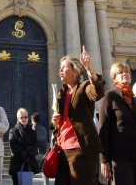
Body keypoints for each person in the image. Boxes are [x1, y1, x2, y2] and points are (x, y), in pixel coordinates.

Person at [51, 46, 105, 185]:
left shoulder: (84, 87)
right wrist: (54, 121)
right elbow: (56, 123)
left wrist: (89, 68)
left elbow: (97, 93)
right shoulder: (61, 94)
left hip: (81, 149)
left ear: (75, 72)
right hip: (62, 150)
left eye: (64, 67)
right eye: (60, 68)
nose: (60, 70)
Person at [98, 63, 136, 185]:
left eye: (127, 72)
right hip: (120, 157)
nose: (125, 74)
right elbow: (103, 129)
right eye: (120, 72)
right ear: (114, 78)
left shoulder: (134, 99)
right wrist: (104, 159)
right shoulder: (110, 96)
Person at [9, 108, 40, 185]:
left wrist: (28, 152)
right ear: (18, 119)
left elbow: (35, 146)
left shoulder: (33, 132)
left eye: (25, 117)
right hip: (17, 163)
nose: (24, 119)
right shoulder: (13, 131)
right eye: (21, 117)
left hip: (29, 163)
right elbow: (13, 145)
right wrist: (23, 153)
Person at [31, 113, 49, 185]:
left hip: (34, 152)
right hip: (43, 151)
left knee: (30, 169)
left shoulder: (32, 128)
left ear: (32, 120)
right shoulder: (44, 129)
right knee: (44, 170)